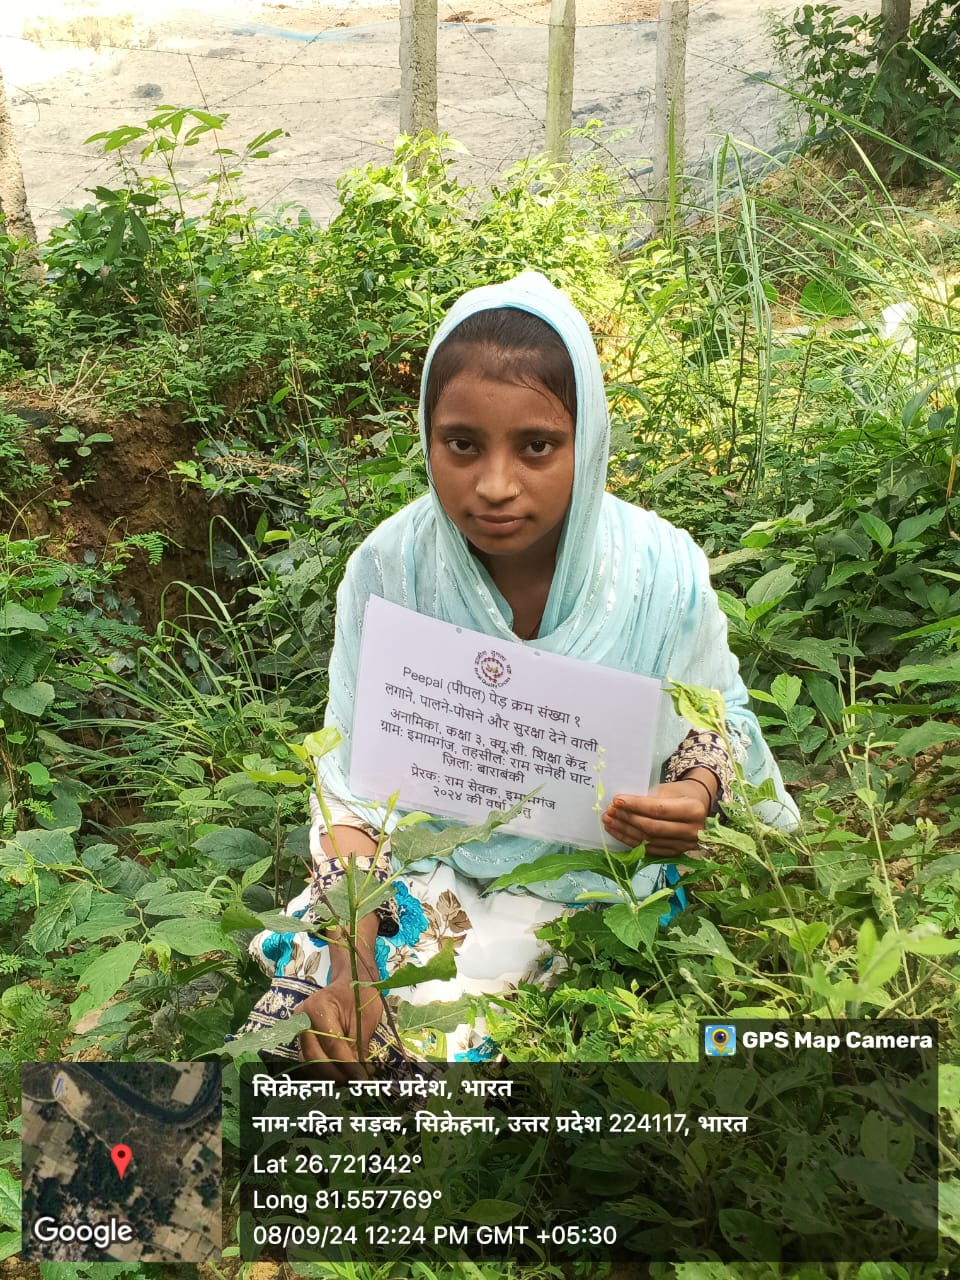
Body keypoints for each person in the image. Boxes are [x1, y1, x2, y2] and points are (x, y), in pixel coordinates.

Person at [236, 271, 798, 1074]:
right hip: (429, 865)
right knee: (320, 1029)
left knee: (511, 1036)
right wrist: (353, 964)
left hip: (600, 875)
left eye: (537, 446)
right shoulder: (392, 569)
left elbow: (718, 718)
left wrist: (694, 793)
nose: (495, 486)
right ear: (427, 435)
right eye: (462, 444)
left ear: (589, 440)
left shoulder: (657, 571)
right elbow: (354, 779)